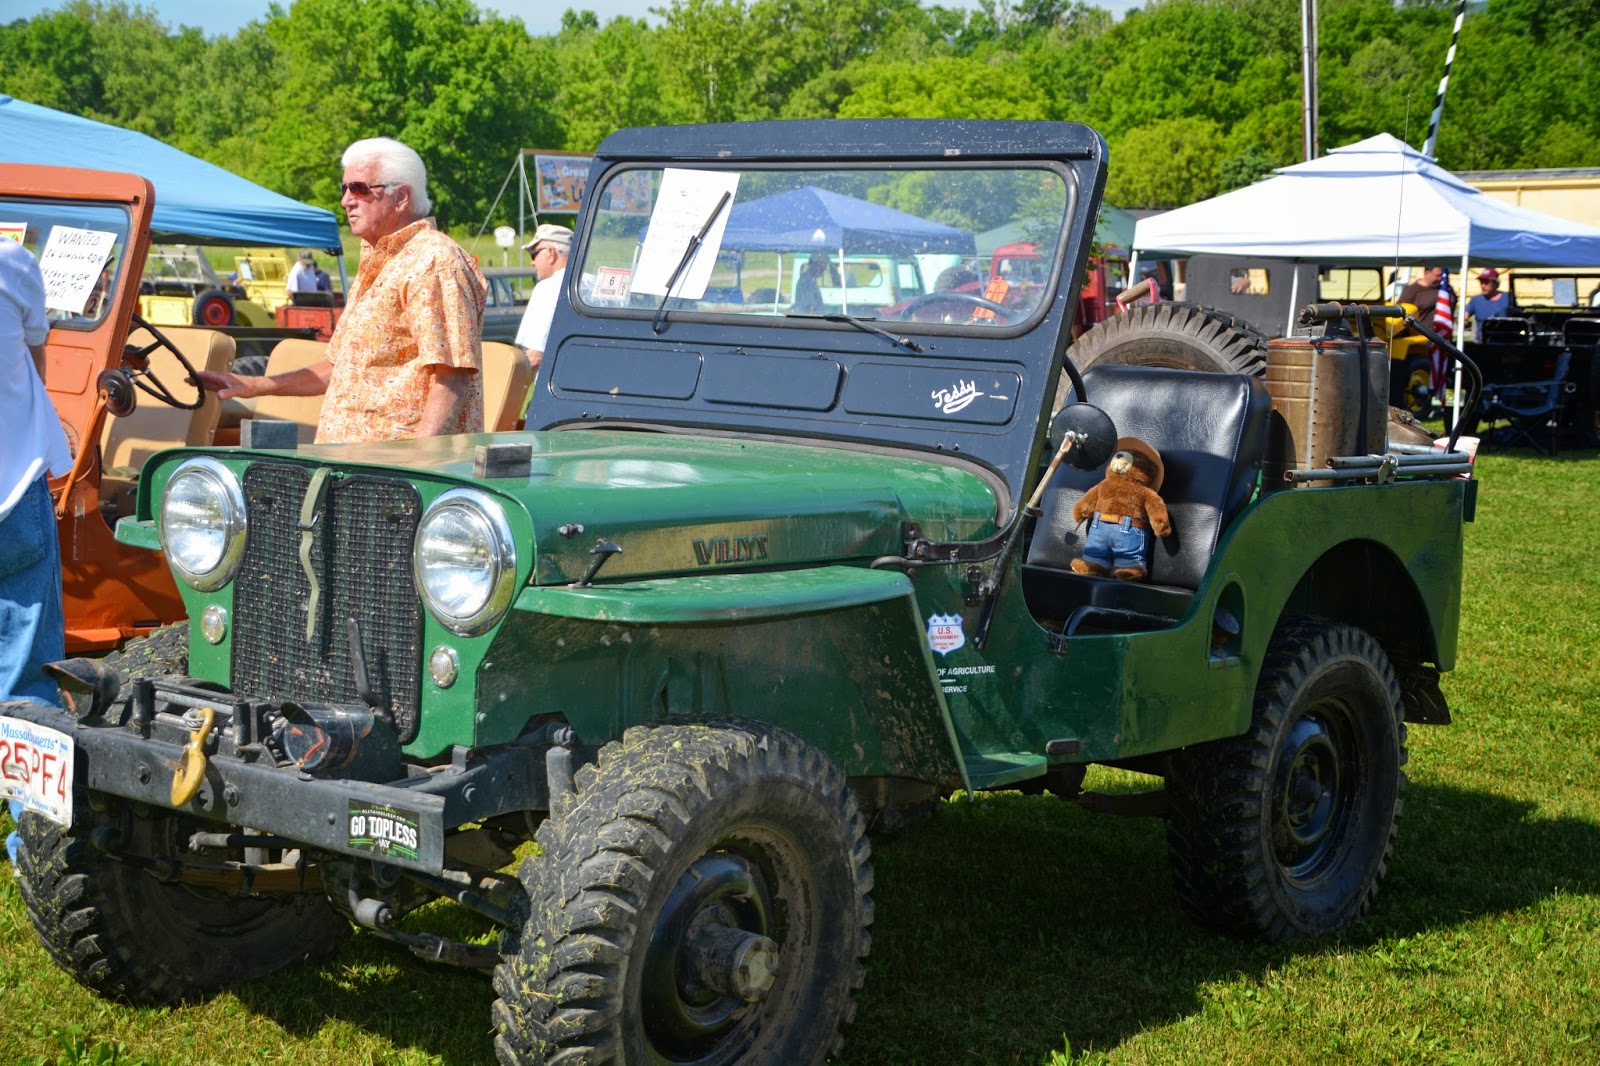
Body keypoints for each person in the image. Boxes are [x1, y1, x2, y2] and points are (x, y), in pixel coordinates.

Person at [196, 137, 487, 444]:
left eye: (359, 188)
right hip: (353, 468)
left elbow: (452, 374)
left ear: (401, 196)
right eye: (344, 188)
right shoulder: (379, 261)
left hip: (397, 474)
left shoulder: (435, 260)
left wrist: (419, 463)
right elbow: (338, 368)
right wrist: (254, 385)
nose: (346, 200)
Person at [0, 237, 72, 863]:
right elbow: (37, 357)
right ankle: (35, 835)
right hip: (12, 486)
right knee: (27, 672)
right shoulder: (11, 263)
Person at [513, 223, 574, 376]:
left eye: (534, 253)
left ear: (550, 253)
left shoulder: (547, 288)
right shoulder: (592, 285)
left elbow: (535, 357)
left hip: (556, 390)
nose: (532, 262)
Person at [1465, 268, 1515, 340]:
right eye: (1481, 282)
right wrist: (1464, 321)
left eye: (1486, 282)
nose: (1483, 286)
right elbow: (1465, 315)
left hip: (1505, 340)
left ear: (1495, 283)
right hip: (1482, 342)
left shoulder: (1508, 298)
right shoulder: (1476, 300)